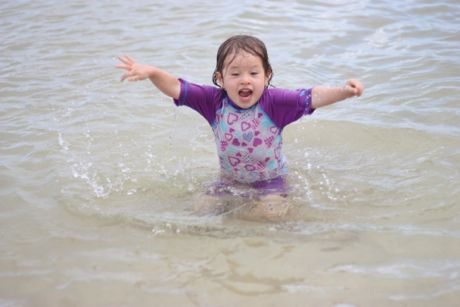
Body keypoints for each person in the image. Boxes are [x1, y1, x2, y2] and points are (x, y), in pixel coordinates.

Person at [116, 35, 363, 221]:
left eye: (253, 72)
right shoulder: (213, 102)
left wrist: (344, 92)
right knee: (200, 209)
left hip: (271, 181)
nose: (245, 79)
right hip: (229, 180)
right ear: (221, 79)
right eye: (235, 73)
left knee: (267, 216)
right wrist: (152, 72)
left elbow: (312, 97)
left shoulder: (275, 103)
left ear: (266, 76)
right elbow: (176, 87)